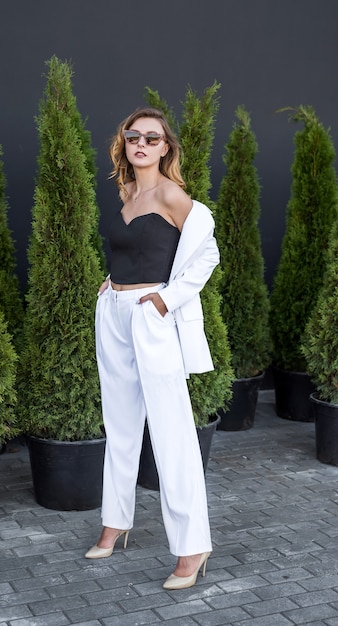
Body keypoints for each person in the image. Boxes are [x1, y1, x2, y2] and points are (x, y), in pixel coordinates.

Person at [85, 107, 219, 590]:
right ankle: (116, 521)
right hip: (115, 313)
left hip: (151, 318)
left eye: (151, 137)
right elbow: (130, 249)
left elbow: (207, 251)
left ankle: (192, 545)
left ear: (166, 147)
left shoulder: (171, 193)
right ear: (124, 143)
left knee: (171, 432)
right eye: (133, 136)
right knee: (119, 424)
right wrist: (112, 283)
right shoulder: (126, 192)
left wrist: (167, 297)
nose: (141, 143)